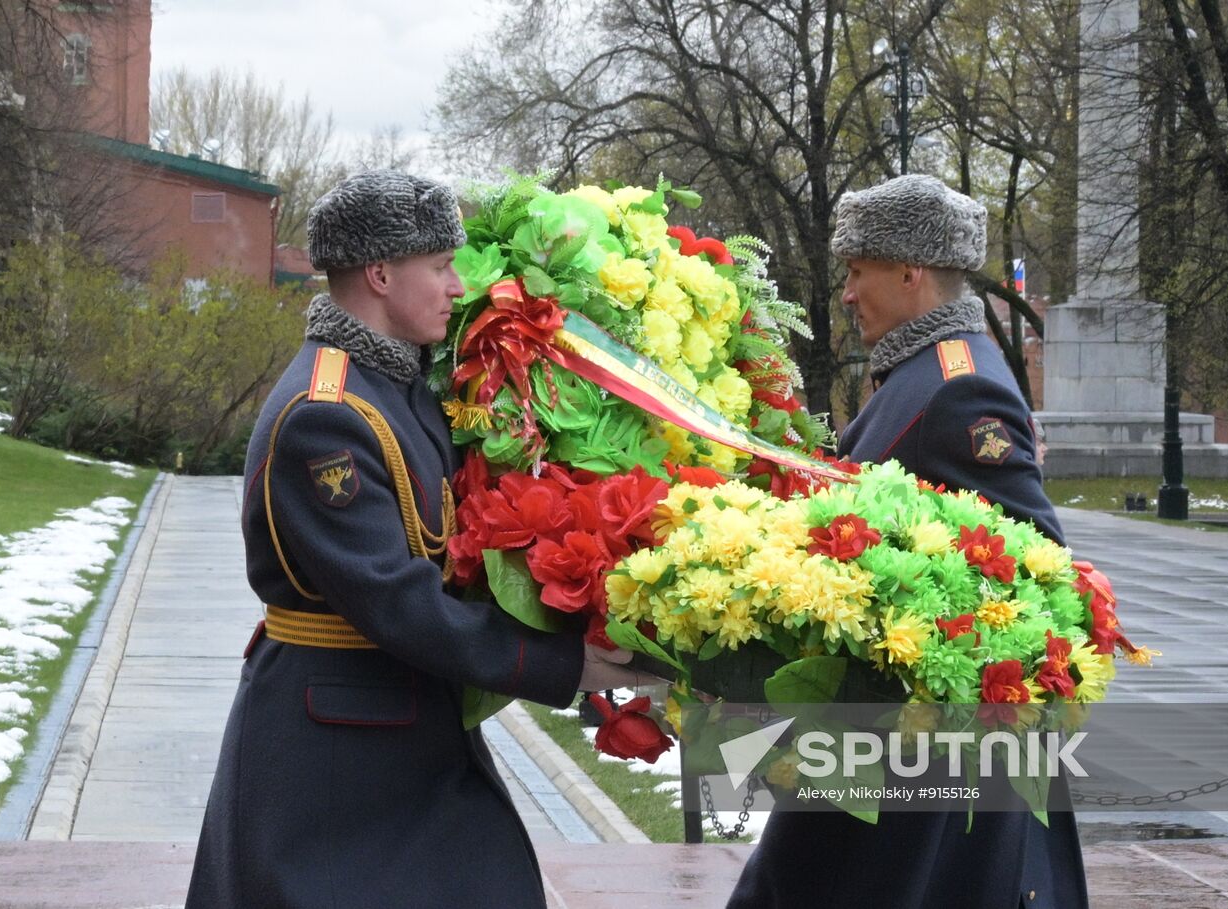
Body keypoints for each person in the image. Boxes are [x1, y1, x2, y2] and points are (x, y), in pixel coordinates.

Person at [185, 171, 635, 909]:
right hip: (335, 756)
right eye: (440, 267)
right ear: (382, 273)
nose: (458, 285)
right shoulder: (323, 414)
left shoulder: (396, 384)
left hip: (395, 725)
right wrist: (558, 663)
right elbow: (398, 600)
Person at [727, 175, 1087, 908]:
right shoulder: (921, 369)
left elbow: (1041, 574)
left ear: (908, 272)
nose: (849, 293)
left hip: (921, 768)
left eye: (858, 272)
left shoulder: (961, 388)